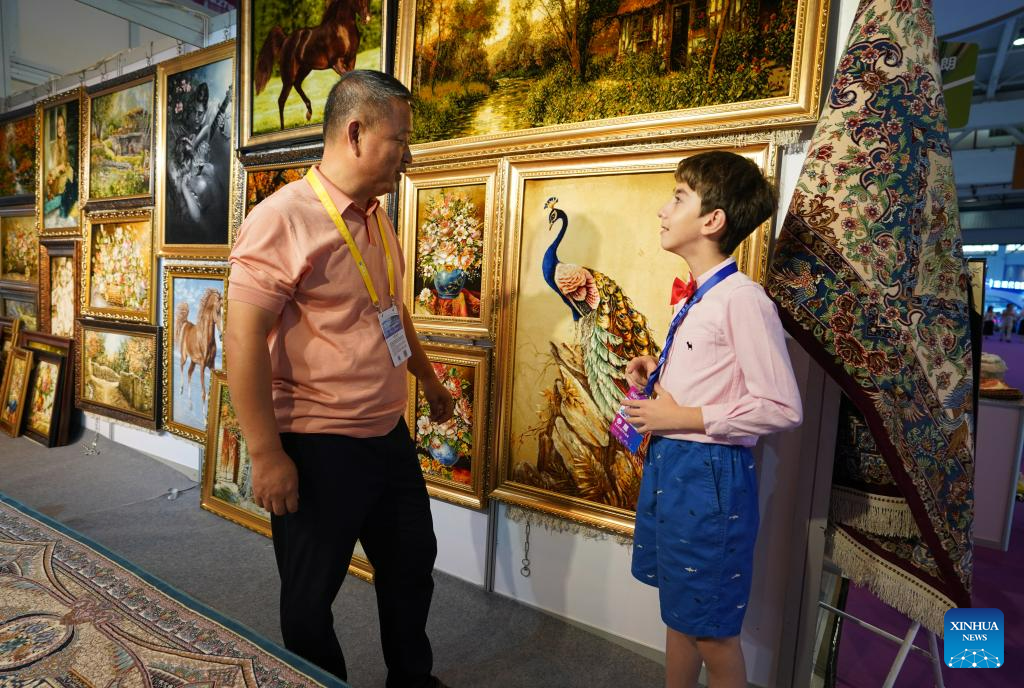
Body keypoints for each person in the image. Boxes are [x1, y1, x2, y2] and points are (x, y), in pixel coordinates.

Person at [226, 70, 453, 688]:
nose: (407, 154)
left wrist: (427, 380)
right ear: (355, 133)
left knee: (411, 566)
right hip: (317, 445)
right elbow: (241, 340)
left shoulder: (376, 218)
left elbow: (390, 311)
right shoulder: (281, 219)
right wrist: (265, 453)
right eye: (399, 139)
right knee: (308, 603)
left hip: (387, 436)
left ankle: (412, 680)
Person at [621, 151, 803, 688]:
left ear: (712, 220)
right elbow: (717, 374)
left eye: (678, 198)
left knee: (713, 635)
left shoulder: (743, 300)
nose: (663, 210)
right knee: (682, 614)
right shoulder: (701, 296)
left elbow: (781, 405)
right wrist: (657, 370)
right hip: (675, 467)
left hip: (709, 478)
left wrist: (679, 414)